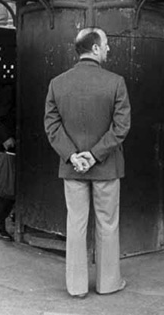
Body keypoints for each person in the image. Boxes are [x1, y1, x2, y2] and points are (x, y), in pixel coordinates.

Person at [44, 27, 131, 298]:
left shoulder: (57, 83)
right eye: (105, 44)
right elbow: (121, 126)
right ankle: (108, 283)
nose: (108, 49)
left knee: (76, 223)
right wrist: (95, 155)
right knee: (107, 223)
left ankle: (76, 287)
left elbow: (51, 125)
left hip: (72, 167)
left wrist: (73, 155)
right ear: (94, 48)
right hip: (106, 167)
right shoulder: (116, 82)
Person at [0, 82, 16, 241]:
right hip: (9, 147)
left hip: (14, 145)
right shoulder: (10, 90)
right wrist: (5, 137)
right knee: (6, 188)